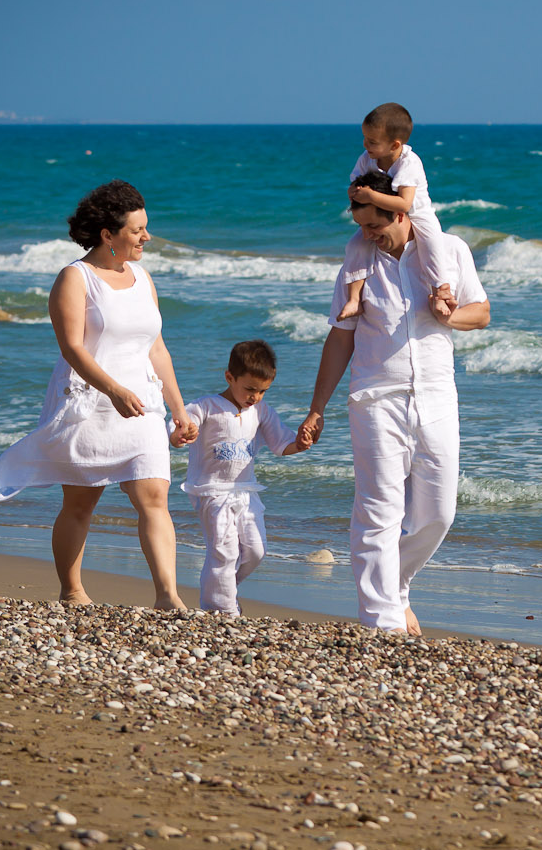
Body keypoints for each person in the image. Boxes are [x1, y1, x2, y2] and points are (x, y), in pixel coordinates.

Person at [0, 180, 198, 609]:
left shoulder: (143, 278)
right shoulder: (75, 278)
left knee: (154, 496)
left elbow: (156, 347)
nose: (147, 238)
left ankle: (167, 596)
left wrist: (177, 409)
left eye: (146, 228)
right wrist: (113, 389)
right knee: (80, 503)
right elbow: (72, 348)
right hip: (91, 403)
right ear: (108, 235)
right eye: (137, 230)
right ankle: (72, 590)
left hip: (143, 406)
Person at [299, 171, 490, 634]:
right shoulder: (358, 261)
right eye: (361, 226)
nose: (367, 236)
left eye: (375, 227)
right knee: (379, 509)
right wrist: (317, 407)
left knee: (439, 513)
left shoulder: (448, 252)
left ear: (401, 213)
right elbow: (340, 339)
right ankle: (380, 621)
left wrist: (449, 315)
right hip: (375, 398)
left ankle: (396, 584)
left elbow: (481, 313)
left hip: (438, 397)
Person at [176, 339, 309, 615]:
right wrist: (183, 433)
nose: (255, 397)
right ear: (230, 377)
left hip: (246, 491)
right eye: (250, 389)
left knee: (256, 550)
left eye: (262, 391)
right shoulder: (206, 407)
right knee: (224, 552)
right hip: (211, 491)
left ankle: (221, 589)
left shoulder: (260, 411)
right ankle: (223, 611)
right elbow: (180, 428)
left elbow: (281, 444)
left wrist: (301, 443)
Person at [337, 102, 456, 322]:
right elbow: (354, 185)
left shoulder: (409, 163)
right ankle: (354, 299)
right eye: (364, 138)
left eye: (372, 141)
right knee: (355, 245)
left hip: (416, 211)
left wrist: (371, 196)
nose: (366, 145)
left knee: (432, 242)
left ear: (394, 145)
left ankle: (441, 290)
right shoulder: (367, 158)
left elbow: (404, 204)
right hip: (386, 213)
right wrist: (354, 191)